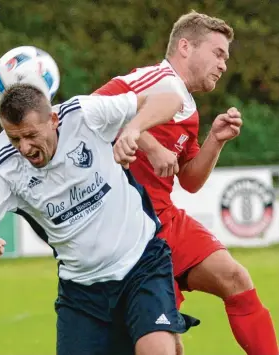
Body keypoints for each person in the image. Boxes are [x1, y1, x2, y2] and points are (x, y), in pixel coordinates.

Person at [0, 83, 199, 355]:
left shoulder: (85, 114)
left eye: (30, 135)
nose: (24, 148)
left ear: (53, 119)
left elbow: (169, 98)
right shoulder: (1, 164)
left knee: (155, 350)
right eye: (14, 139)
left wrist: (133, 129)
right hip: (82, 292)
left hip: (141, 263)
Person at [94, 10, 279, 355]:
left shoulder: (188, 108)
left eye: (226, 57)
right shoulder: (151, 79)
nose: (224, 64)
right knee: (163, 347)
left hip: (163, 219)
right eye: (218, 53)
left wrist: (216, 140)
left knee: (235, 280)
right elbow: (91, 110)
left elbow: (190, 180)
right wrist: (148, 141)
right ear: (184, 47)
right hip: (127, 229)